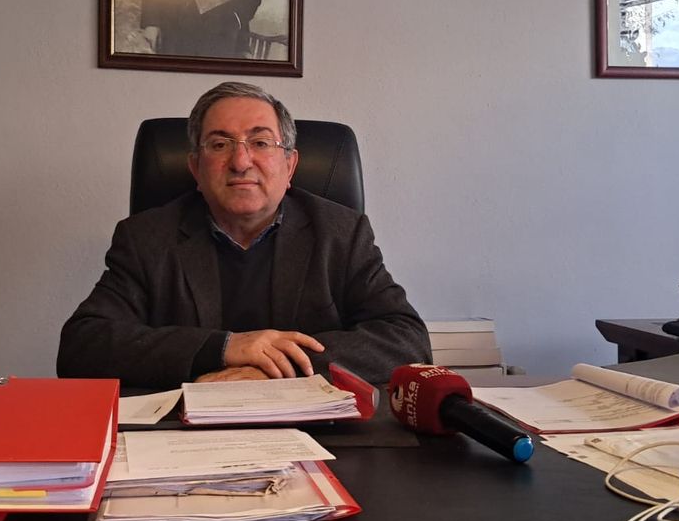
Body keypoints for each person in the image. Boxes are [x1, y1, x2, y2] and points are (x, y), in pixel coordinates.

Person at [58, 82, 431, 388]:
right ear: (196, 168)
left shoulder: (341, 234)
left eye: (261, 143)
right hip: (184, 435)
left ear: (290, 166)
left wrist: (272, 367)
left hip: (317, 433)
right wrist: (223, 348)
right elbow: (82, 347)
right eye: (220, 144)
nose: (240, 162)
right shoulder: (147, 239)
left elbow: (407, 340)